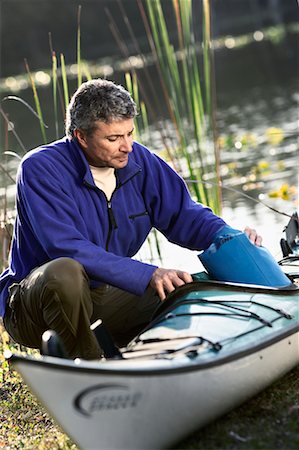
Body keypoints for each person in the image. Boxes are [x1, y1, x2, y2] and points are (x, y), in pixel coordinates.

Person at [0, 79, 262, 360]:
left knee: (187, 291)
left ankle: (165, 353)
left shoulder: (140, 162)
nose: (126, 146)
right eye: (113, 139)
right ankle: (89, 369)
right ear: (81, 136)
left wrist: (230, 238)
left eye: (129, 134)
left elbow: (184, 215)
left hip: (104, 296)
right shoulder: (40, 168)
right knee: (64, 271)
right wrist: (146, 274)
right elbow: (66, 247)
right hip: (34, 308)